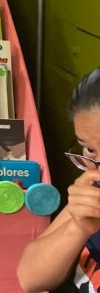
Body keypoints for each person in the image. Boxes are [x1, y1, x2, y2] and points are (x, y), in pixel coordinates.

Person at [17, 68, 100, 292]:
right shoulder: (94, 182)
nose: (96, 166)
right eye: (90, 149)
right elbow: (30, 277)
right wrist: (78, 226)